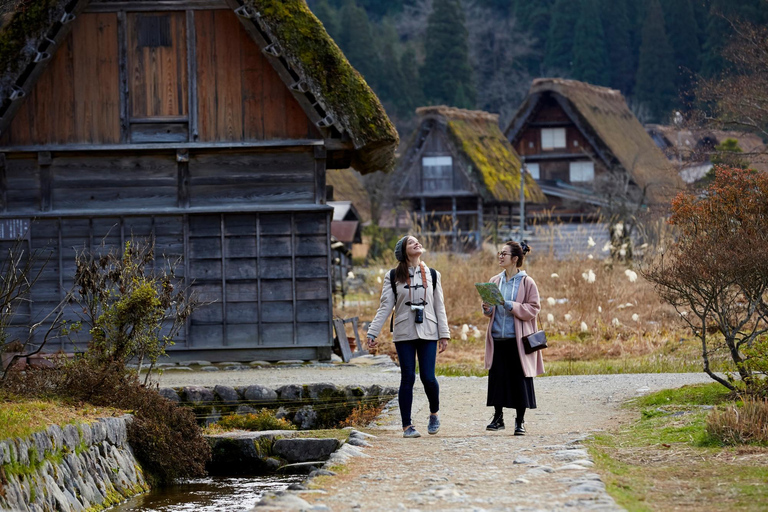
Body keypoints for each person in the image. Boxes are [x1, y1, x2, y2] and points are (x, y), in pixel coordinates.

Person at [367, 235, 450, 438]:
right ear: (404, 251)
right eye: (411, 242)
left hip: (429, 330)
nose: (417, 243)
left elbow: (439, 306)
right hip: (404, 331)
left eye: (417, 241)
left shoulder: (433, 274)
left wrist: (444, 334)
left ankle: (434, 413)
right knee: (408, 378)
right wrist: (372, 331)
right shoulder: (393, 275)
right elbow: (386, 306)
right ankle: (407, 426)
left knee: (428, 377)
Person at [481, 240, 544, 435]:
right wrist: (487, 308)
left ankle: (520, 421)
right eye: (499, 253)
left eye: (504, 254)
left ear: (515, 259)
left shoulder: (527, 282)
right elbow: (490, 312)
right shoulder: (494, 281)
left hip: (518, 340)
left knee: (519, 380)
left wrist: (511, 306)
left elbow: (533, 309)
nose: (500, 256)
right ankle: (498, 418)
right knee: (497, 378)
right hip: (497, 338)